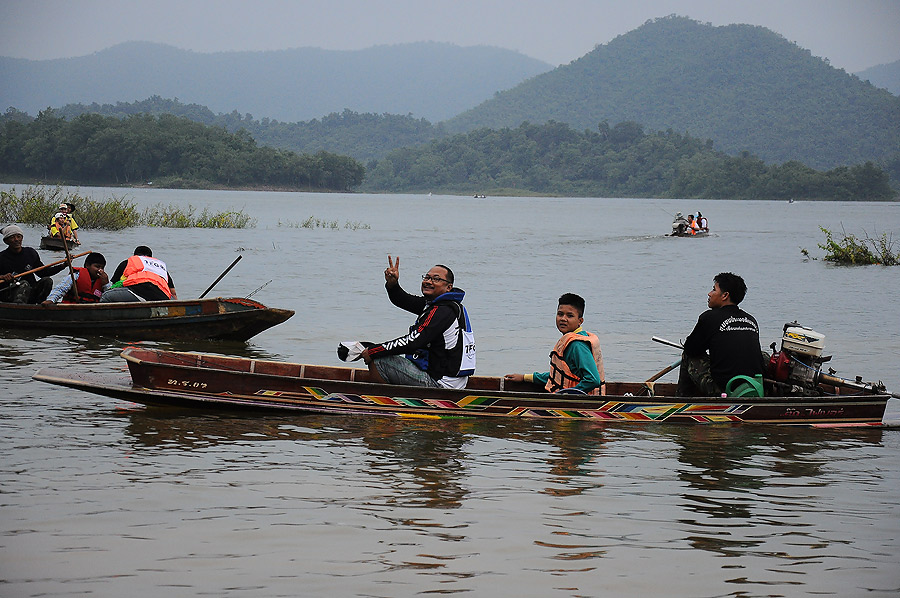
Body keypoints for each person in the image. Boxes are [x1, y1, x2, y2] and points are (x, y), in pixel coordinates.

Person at [358, 256, 475, 389]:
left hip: (441, 384)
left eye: (436, 279)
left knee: (378, 360)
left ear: (448, 287)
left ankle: (389, 403)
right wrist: (392, 284)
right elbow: (403, 300)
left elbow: (413, 342)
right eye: (426, 277)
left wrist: (373, 351)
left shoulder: (443, 311)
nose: (428, 281)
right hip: (451, 381)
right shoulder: (440, 305)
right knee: (378, 351)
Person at [676, 272, 765, 397]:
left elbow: (691, 349)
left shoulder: (709, 317)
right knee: (763, 355)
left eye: (713, 290)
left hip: (724, 389)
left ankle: (682, 401)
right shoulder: (751, 320)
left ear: (725, 295)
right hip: (752, 386)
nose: (709, 294)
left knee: (688, 356)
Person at [505, 293, 605, 395]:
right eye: (560, 314)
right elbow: (557, 376)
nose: (563, 319)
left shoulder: (577, 345)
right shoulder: (571, 339)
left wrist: (568, 395)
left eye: (570, 316)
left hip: (580, 403)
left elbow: (593, 380)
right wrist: (524, 377)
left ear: (580, 321)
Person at [0, 224, 66, 303]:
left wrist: (63, 265)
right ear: (6, 241)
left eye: (18, 236)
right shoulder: (2, 257)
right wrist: (3, 277)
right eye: (12, 237)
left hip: (31, 292)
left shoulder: (30, 253)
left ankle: (39, 306)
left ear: (22, 238)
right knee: (23, 284)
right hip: (10, 293)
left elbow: (43, 272)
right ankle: (19, 308)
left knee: (47, 281)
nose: (16, 239)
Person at [101, 245, 177, 302]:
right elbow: (173, 293)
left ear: (135, 255)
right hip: (162, 296)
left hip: (138, 292)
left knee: (106, 296)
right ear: (151, 257)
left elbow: (115, 286)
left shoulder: (129, 261)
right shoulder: (161, 267)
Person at [42, 252, 109, 304]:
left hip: (92, 309)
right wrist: (51, 300)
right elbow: (61, 289)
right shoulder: (76, 276)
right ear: (87, 265)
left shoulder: (103, 281)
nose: (100, 270)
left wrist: (106, 284)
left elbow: (110, 296)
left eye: (102, 268)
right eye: (97, 267)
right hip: (73, 307)